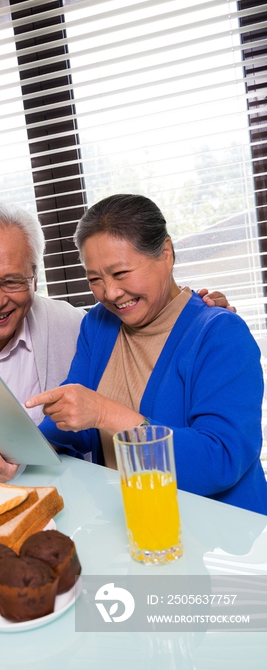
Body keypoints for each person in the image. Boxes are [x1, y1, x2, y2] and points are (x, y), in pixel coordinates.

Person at [0, 199, 236, 490]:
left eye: (13, 281)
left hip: (60, 502)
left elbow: (152, 322)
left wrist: (201, 311)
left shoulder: (77, 325)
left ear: (35, 278)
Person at [24, 194, 267, 514]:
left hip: (215, 535)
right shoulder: (98, 324)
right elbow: (75, 424)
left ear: (166, 253)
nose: (109, 293)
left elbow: (218, 461)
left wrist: (106, 414)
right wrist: (20, 451)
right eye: (95, 279)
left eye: (121, 273)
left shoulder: (221, 333)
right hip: (129, 523)